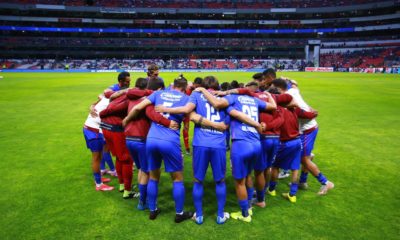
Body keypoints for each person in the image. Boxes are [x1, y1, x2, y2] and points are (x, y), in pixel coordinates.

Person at [155, 76, 235, 224]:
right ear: (217, 85)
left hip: (200, 143)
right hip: (218, 143)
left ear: (202, 85)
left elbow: (190, 114)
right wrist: (218, 126)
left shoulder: (196, 95)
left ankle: (198, 216)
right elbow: (227, 124)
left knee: (198, 181)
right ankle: (220, 215)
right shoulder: (225, 97)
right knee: (220, 181)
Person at [197, 84, 277, 223]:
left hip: (241, 144)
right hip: (256, 143)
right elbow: (273, 107)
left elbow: (216, 104)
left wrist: (204, 90)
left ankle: (245, 214)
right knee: (250, 174)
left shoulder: (233, 99)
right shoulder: (254, 100)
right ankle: (255, 203)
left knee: (239, 182)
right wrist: (270, 96)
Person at [123, 76, 193, 223]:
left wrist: (126, 120)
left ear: (172, 85)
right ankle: (179, 213)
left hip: (151, 139)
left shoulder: (158, 94)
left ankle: (153, 210)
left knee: (154, 177)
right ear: (184, 88)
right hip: (170, 140)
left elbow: (137, 107)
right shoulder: (187, 98)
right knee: (177, 179)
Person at [267, 78, 317, 203]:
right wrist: (314, 113)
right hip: (297, 141)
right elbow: (306, 114)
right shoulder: (293, 108)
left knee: (275, 166)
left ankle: (271, 189)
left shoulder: (275, 110)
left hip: (284, 143)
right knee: (295, 168)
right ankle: (292, 194)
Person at [287, 81, 334, 195]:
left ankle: (326, 183)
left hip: (307, 130)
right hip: (307, 129)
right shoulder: (293, 90)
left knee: (304, 159)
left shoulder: (288, 97)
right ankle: (302, 182)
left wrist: (313, 113)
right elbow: (295, 84)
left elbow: (303, 113)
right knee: (305, 157)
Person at [83, 94, 114, 191]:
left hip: (90, 128)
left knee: (99, 156)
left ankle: (98, 179)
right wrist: (91, 107)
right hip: (94, 131)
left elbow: (98, 98)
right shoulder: (112, 101)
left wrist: (91, 106)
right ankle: (99, 184)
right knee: (96, 158)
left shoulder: (105, 98)